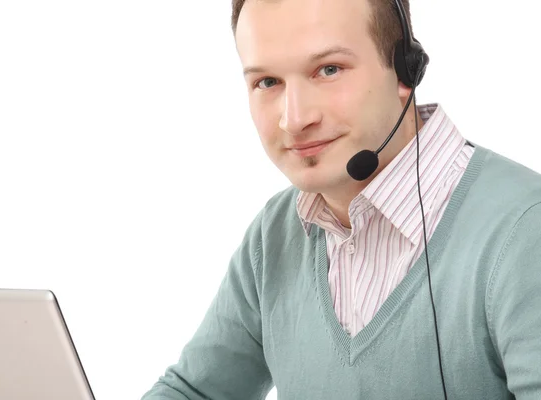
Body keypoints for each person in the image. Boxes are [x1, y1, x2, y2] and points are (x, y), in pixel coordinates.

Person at [141, 0, 541, 398]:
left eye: (328, 70)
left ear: (405, 69)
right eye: (267, 82)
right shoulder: (274, 234)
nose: (294, 119)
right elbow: (194, 391)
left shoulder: (525, 231)